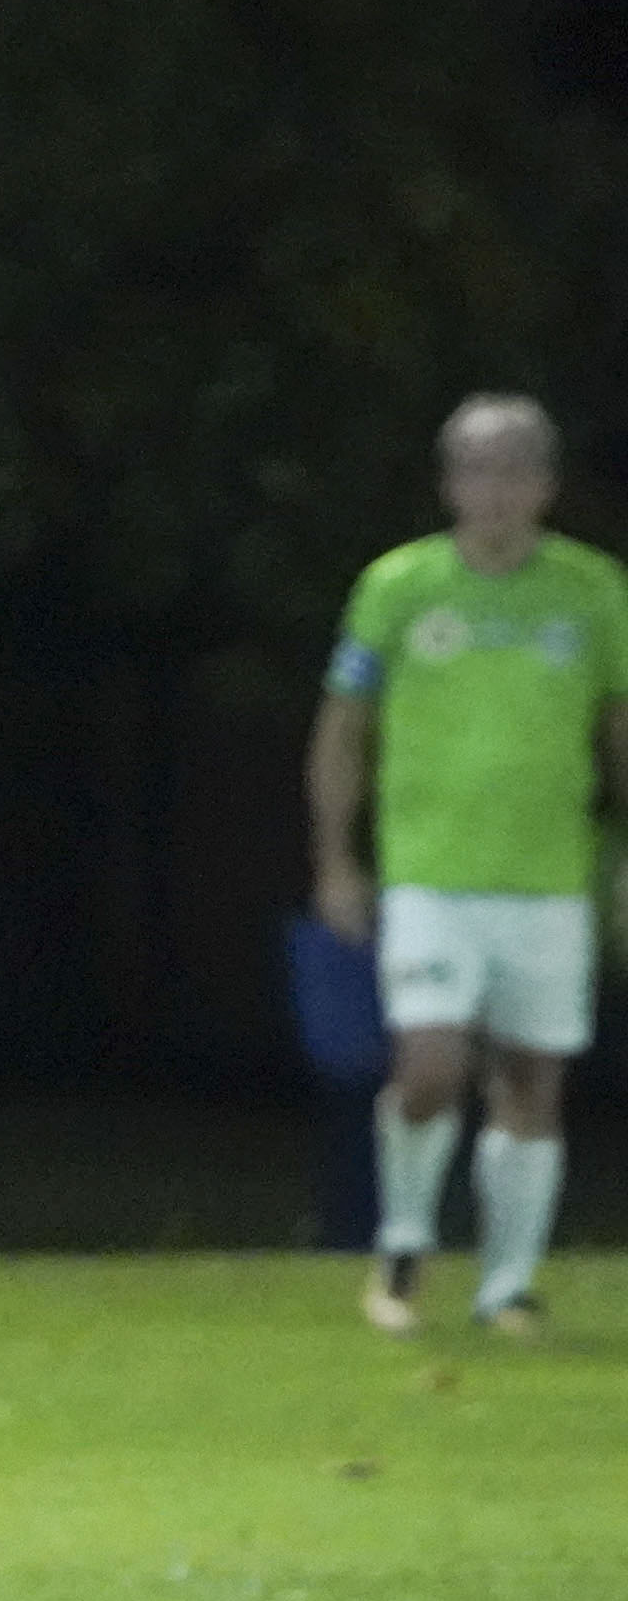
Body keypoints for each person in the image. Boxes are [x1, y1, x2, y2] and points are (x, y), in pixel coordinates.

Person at [310, 394, 628, 1338]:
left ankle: (508, 1284)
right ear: (450, 483)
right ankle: (405, 1238)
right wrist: (337, 860)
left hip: (549, 878)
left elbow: (619, 732)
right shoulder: (399, 586)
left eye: (516, 471)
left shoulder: (593, 591)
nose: (496, 492)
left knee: (534, 1077)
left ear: (546, 485)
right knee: (431, 1065)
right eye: (478, 472)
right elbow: (342, 727)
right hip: (431, 875)